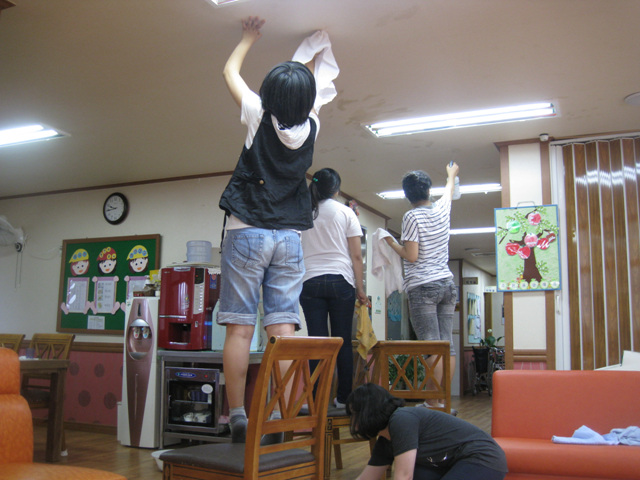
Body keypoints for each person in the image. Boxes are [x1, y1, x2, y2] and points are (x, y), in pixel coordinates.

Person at [217, 17, 337, 443]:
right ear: (308, 101)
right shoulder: (313, 125)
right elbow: (309, 92)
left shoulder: (257, 113)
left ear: (268, 96)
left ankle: (237, 416)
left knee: (239, 328)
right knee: (283, 328)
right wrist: (311, 56)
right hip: (288, 238)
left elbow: (229, 72)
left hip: (247, 231)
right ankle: (283, 415)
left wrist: (248, 38)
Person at [383, 163, 459, 408]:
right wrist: (451, 175)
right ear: (428, 190)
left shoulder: (411, 216)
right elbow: (449, 191)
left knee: (431, 346)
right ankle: (442, 400)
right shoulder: (442, 208)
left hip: (423, 286)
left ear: (407, 195)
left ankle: (432, 401)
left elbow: (411, 255)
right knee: (447, 345)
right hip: (447, 284)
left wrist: (391, 243)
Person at [300, 168, 368, 407]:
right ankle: (343, 398)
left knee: (317, 343)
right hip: (342, 281)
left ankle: (317, 400)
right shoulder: (346, 213)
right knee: (342, 343)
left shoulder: (304, 212)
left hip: (310, 281)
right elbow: (356, 256)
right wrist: (360, 289)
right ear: (336, 190)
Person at [347, 383, 507, 480]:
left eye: (354, 414)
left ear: (368, 412)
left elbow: (404, 476)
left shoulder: (401, 419)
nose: (352, 421)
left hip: (483, 457)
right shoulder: (385, 441)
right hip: (451, 462)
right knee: (420, 474)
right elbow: (367, 477)